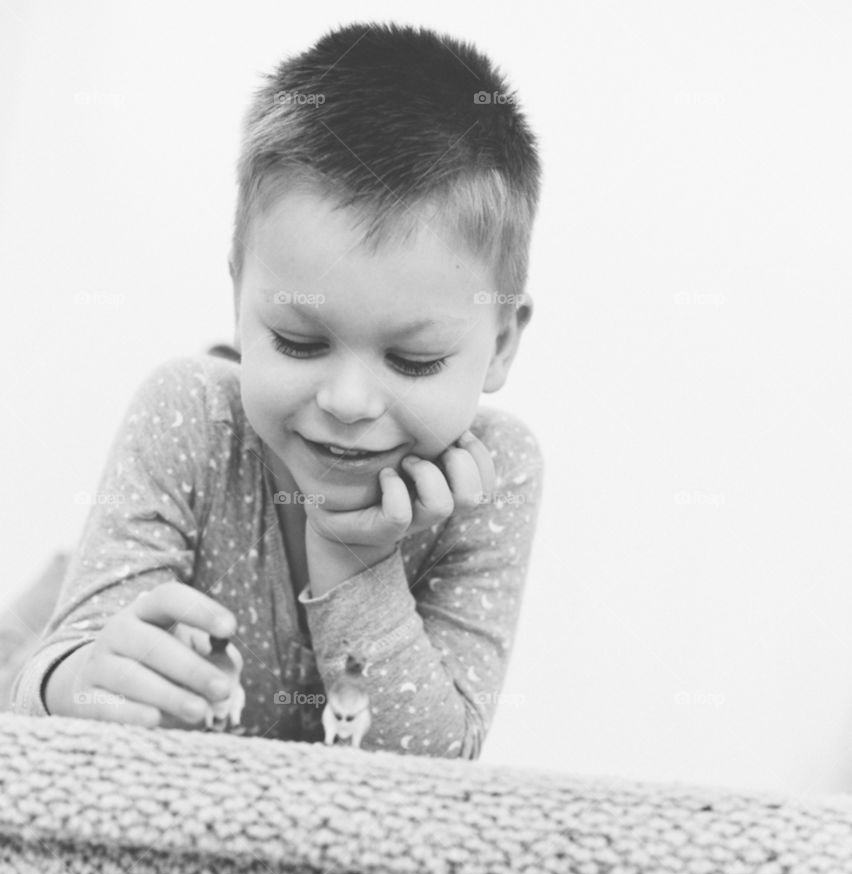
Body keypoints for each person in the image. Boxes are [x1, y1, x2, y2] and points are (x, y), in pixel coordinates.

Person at [11, 21, 544, 759]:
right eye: (300, 342)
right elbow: (51, 695)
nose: (350, 401)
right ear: (239, 294)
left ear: (502, 344)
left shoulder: (497, 476)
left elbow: (431, 773)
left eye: (413, 359)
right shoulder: (188, 413)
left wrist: (352, 560)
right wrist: (75, 682)